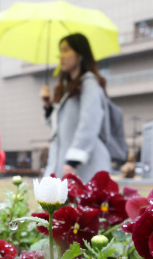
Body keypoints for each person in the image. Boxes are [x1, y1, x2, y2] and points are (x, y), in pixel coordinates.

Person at [40, 33, 111, 182]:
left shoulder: (89, 83)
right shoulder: (67, 89)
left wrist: (73, 160)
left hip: (84, 167)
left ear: (80, 54)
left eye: (66, 50)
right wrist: (47, 104)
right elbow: (58, 128)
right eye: (60, 51)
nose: (61, 56)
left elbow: (90, 121)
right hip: (67, 166)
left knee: (80, 203)